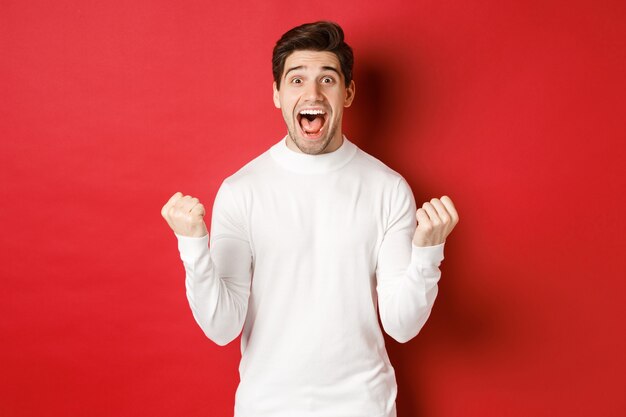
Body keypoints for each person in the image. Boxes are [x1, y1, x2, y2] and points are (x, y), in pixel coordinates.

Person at [161, 21, 458, 417]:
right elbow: (221, 327)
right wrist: (193, 246)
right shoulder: (241, 191)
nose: (312, 93)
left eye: (327, 79)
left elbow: (402, 326)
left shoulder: (388, 188)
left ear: (348, 92)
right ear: (277, 94)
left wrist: (427, 253)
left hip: (364, 407)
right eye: (297, 79)